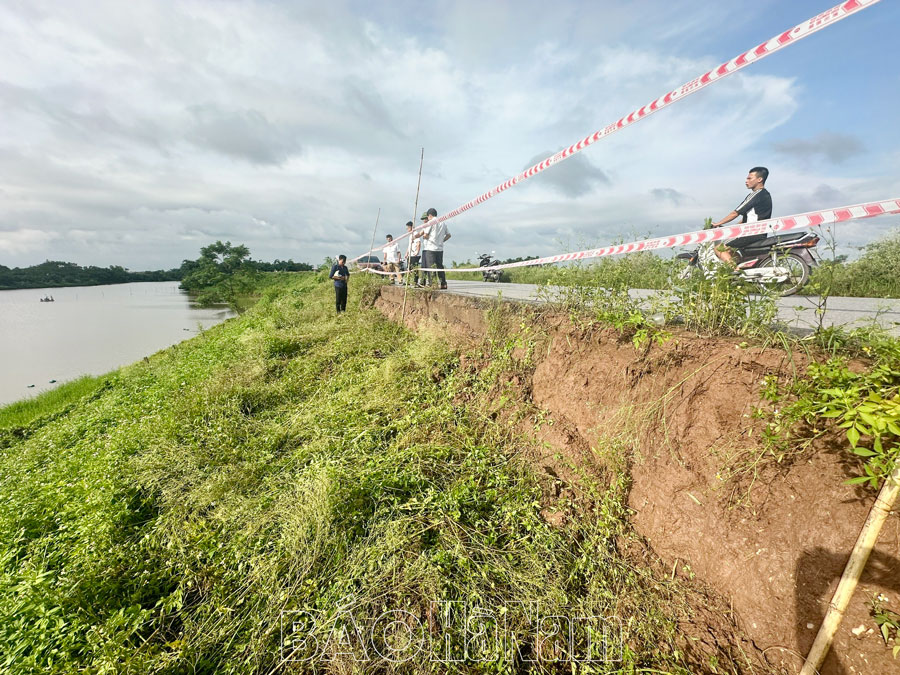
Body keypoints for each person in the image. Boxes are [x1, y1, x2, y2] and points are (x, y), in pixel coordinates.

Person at [710, 166, 772, 265]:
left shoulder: (757, 194)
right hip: (759, 232)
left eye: (749, 178)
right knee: (730, 252)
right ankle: (741, 267)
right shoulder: (765, 195)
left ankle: (735, 270)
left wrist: (718, 223)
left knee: (719, 248)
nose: (746, 181)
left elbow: (735, 213)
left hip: (751, 232)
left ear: (760, 179)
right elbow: (746, 219)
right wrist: (731, 228)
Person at [414, 207, 451, 289]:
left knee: (431, 267)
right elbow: (448, 235)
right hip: (440, 249)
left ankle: (433, 284)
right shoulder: (443, 223)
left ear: (429, 215)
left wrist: (425, 237)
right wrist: (441, 241)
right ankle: (443, 283)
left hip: (430, 249)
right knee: (440, 267)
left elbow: (426, 235)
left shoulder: (430, 222)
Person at [405, 221, 421, 287]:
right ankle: (408, 281)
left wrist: (417, 251)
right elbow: (409, 246)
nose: (407, 229)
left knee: (414, 269)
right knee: (409, 268)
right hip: (410, 254)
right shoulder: (410, 235)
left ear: (410, 227)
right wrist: (407, 253)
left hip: (414, 255)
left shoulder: (415, 234)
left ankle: (415, 282)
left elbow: (418, 243)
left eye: (407, 228)